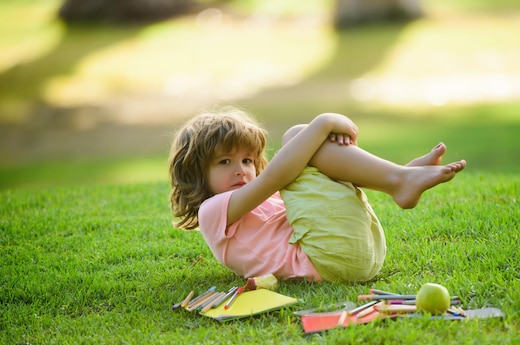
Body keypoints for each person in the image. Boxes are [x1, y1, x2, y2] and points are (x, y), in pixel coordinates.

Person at [168, 107, 465, 284]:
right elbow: (278, 175)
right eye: (225, 162)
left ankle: (397, 177)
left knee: (301, 143)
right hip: (327, 259)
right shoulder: (212, 211)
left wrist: (317, 135)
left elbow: (311, 180)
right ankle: (397, 179)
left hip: (354, 254)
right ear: (196, 174)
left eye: (247, 161)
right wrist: (324, 122)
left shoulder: (266, 199)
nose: (241, 170)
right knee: (297, 137)